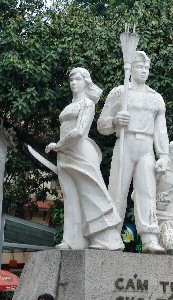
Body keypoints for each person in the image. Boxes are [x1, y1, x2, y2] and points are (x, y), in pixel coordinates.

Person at [97, 51, 169, 253]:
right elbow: (102, 125)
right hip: (125, 143)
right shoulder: (119, 93)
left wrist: (163, 155)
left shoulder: (156, 98)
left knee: (147, 191)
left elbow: (160, 131)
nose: (144, 71)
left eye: (147, 68)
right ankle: (111, 233)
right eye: (140, 67)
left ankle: (149, 238)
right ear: (131, 69)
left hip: (146, 147)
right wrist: (114, 121)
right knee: (117, 191)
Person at [46, 67, 123, 250]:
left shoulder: (87, 104)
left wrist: (58, 145)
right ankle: (73, 240)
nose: (73, 83)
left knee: (91, 195)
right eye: (71, 80)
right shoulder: (70, 106)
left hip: (80, 152)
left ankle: (106, 240)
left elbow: (79, 132)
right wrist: (60, 148)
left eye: (77, 79)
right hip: (65, 153)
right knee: (70, 197)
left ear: (85, 82)